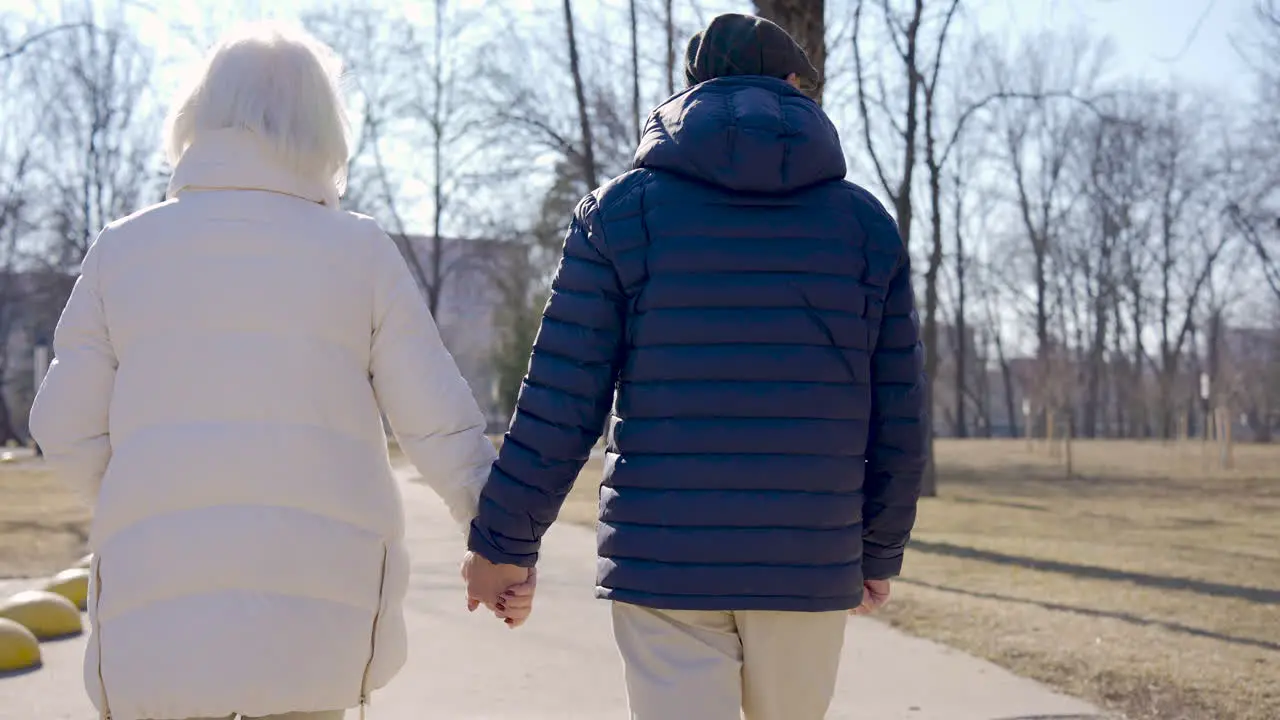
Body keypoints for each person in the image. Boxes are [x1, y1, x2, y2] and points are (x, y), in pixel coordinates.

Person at [29, 22, 530, 720]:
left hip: (160, 603)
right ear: (325, 128)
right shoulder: (360, 252)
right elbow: (436, 422)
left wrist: (144, 499)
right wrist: (497, 541)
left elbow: (59, 424)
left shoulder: (125, 250)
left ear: (197, 118)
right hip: (319, 601)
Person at [463, 12, 927, 720]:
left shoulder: (620, 216)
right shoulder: (864, 228)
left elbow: (561, 399)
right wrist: (876, 550)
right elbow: (899, 415)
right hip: (806, 562)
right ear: (796, 86)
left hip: (664, 561)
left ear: (691, 90)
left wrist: (503, 544)